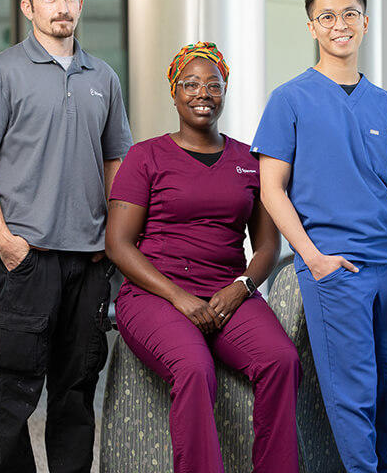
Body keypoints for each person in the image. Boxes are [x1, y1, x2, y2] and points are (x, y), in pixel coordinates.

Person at [0, 0, 133, 473]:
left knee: (76, 389)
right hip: (27, 259)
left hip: (88, 260)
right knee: (15, 388)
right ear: (28, 6)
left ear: (81, 4)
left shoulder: (103, 76)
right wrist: (5, 239)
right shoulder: (1, 71)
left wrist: (112, 238)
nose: (62, 7)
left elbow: (116, 161)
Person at [252, 0, 387, 473]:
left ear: (365, 22)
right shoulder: (289, 99)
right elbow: (270, 189)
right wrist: (312, 258)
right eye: (326, 16)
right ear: (311, 27)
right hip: (334, 269)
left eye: (349, 14)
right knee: (352, 395)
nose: (339, 24)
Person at [105, 41, 301, 473]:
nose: (202, 93)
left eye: (214, 84)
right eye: (190, 84)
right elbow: (118, 245)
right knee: (194, 368)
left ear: (225, 91)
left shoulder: (249, 159)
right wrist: (179, 298)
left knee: (281, 361)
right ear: (173, 92)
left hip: (228, 291)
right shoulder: (145, 157)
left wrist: (242, 287)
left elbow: (268, 246)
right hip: (154, 293)